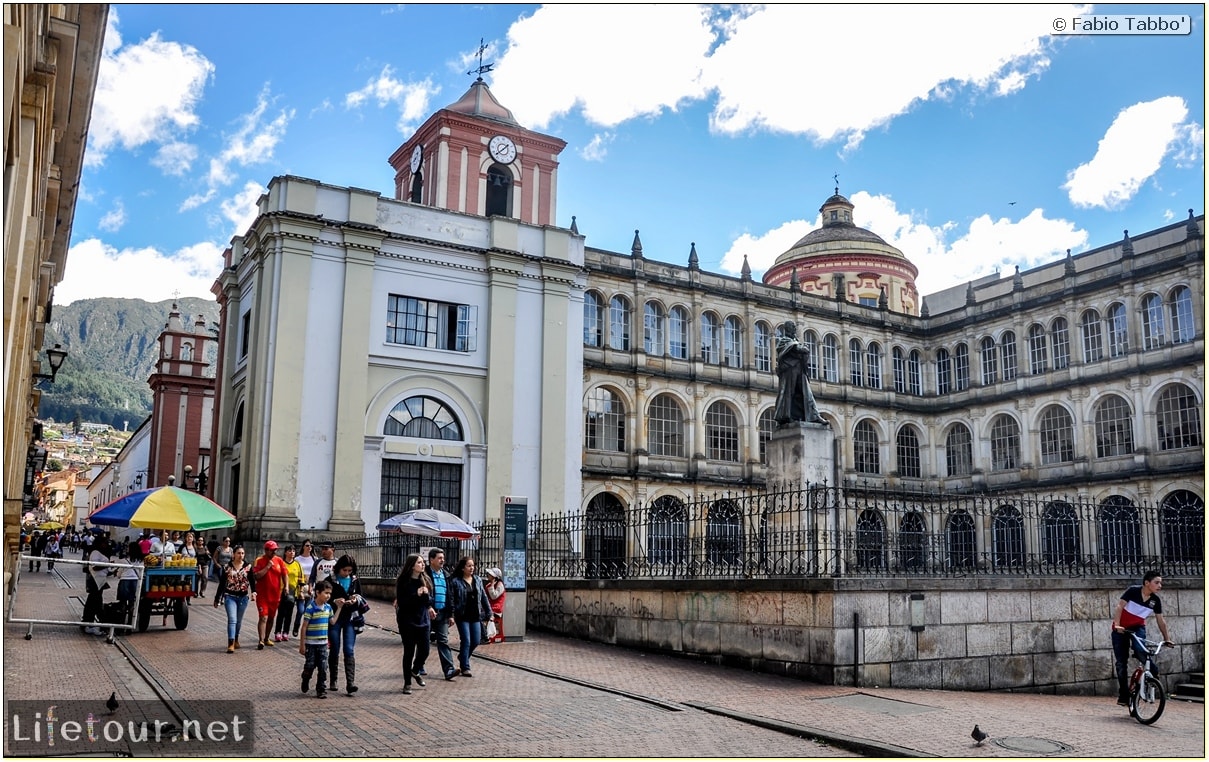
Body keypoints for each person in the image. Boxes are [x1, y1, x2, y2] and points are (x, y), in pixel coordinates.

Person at [1111, 570, 1173, 705]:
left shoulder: (1155, 601)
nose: (1160, 586)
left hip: (1137, 627)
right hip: (1120, 629)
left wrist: (1167, 638)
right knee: (1121, 663)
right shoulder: (1133, 591)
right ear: (1147, 583)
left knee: (1140, 650)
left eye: (1160, 583)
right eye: (1157, 583)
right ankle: (1124, 695)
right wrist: (1117, 625)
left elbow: (1160, 621)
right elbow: (1119, 606)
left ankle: (1153, 672)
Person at [772, 321, 826, 425]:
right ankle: (786, 416)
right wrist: (800, 348)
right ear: (788, 329)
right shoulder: (784, 340)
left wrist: (801, 348)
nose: (795, 329)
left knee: (806, 393)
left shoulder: (794, 340)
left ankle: (814, 416)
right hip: (790, 369)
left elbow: (801, 349)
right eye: (793, 327)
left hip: (799, 369)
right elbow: (794, 348)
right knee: (789, 393)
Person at [393, 553, 432, 694]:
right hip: (407, 621)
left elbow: (428, 602)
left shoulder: (425, 579)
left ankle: (415, 670)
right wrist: (417, 593)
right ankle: (407, 682)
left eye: (423, 562)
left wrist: (427, 597)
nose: (422, 565)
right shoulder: (403, 581)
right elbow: (402, 602)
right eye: (419, 562)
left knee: (425, 650)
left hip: (423, 620)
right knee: (409, 651)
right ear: (412, 565)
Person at [326, 554, 364, 694]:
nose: (347, 573)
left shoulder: (354, 580)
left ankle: (350, 682)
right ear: (338, 569)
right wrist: (334, 602)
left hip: (350, 618)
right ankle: (333, 679)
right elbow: (324, 598)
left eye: (349, 571)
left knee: (349, 649)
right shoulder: (330, 580)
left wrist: (355, 599)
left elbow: (360, 595)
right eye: (344, 571)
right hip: (335, 618)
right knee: (335, 647)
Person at [449, 556, 492, 677]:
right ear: (463, 568)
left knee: (476, 640)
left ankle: (463, 657)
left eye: (473, 565)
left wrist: (489, 611)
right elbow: (452, 599)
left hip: (475, 615)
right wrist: (452, 614)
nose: (471, 568)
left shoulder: (477, 580)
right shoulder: (455, 581)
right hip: (462, 615)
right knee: (466, 640)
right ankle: (465, 666)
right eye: (469, 565)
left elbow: (483, 597)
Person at [419, 548, 458, 681]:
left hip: (443, 614)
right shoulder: (424, 575)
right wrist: (428, 607)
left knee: (443, 641)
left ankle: (449, 670)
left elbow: (450, 596)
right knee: (424, 641)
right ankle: (419, 665)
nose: (443, 560)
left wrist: (451, 614)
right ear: (431, 560)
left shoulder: (446, 575)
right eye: (439, 558)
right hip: (428, 613)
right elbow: (424, 594)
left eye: (443, 558)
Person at [298, 579, 338, 699]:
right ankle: (305, 678)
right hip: (311, 643)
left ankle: (321, 689)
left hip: (323, 643)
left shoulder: (328, 608)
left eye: (329, 593)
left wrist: (339, 608)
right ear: (317, 593)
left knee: (323, 666)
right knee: (310, 665)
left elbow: (332, 621)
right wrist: (302, 645)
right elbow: (304, 627)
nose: (328, 596)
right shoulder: (311, 608)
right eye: (326, 593)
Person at [213, 545, 256, 652]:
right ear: (233, 554)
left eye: (242, 553)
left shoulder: (248, 567)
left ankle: (236, 638)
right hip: (230, 596)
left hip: (243, 597)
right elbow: (222, 583)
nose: (240, 555)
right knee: (232, 619)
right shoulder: (227, 567)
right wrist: (217, 598)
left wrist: (254, 592)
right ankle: (230, 643)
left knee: (239, 621)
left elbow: (252, 581)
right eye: (238, 553)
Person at [252, 540, 289, 649]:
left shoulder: (279, 561)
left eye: (275, 550)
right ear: (266, 550)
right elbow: (257, 576)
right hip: (262, 595)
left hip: (275, 595)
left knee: (271, 618)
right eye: (272, 550)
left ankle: (267, 638)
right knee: (263, 617)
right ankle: (261, 640)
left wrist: (286, 586)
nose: (274, 552)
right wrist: (267, 566)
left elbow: (284, 574)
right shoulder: (259, 561)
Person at [81, 537, 113, 635]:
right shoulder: (95, 553)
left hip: (101, 581)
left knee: (94, 602)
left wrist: (111, 570)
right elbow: (94, 567)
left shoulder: (101, 553)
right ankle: (92, 623)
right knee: (95, 602)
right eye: (105, 542)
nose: (106, 544)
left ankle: (89, 622)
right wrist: (107, 564)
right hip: (95, 580)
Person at [273, 545, 303, 642]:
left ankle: (285, 632)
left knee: (289, 613)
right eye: (289, 551)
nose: (292, 553)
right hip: (281, 590)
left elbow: (301, 579)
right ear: (285, 552)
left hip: (292, 591)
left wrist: (300, 591)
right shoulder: (281, 563)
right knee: (281, 612)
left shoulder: (297, 564)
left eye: (293, 551)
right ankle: (278, 632)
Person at [291, 540, 317, 637]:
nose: (309, 547)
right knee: (300, 610)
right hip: (300, 586)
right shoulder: (298, 559)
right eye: (307, 545)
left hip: (310, 586)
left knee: (308, 611)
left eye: (311, 546)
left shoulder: (314, 559)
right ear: (303, 547)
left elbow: (315, 574)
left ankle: (306, 630)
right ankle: (296, 626)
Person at [117, 540, 144, 624]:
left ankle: (122, 624)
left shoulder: (124, 560)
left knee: (123, 604)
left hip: (124, 582)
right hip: (135, 582)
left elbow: (119, 574)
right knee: (132, 604)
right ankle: (130, 624)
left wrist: (118, 574)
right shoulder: (140, 561)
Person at [483, 567, 506, 644]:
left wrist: (492, 586)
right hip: (489, 607)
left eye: (490, 574)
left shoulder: (500, 585)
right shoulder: (489, 584)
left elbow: (494, 596)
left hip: (496, 609)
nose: (488, 575)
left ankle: (485, 636)